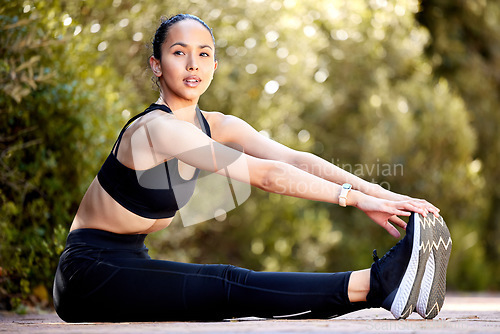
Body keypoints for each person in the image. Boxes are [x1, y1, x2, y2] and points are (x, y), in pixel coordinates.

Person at [53, 14, 452, 322]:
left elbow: (294, 160)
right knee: (228, 283)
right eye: (179, 53)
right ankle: (381, 283)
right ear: (156, 65)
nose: (193, 64)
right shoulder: (157, 130)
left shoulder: (217, 125)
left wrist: (380, 196)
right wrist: (354, 199)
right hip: (88, 272)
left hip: (129, 261)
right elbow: (264, 176)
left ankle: (389, 285)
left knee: (223, 284)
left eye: (203, 54)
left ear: (213, 65)